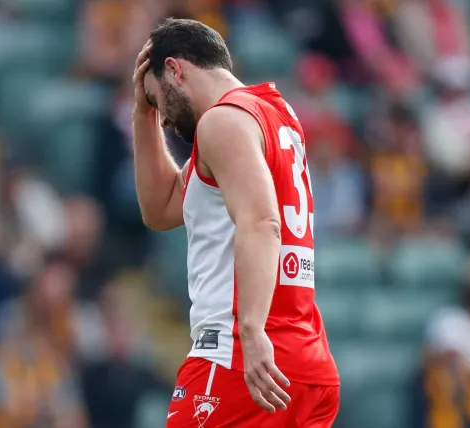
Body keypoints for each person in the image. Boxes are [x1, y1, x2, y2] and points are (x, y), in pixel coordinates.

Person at [131, 18, 340, 428]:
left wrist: (251, 329)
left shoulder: (221, 123)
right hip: (307, 364)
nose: (165, 119)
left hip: (237, 360)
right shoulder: (275, 115)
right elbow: (162, 208)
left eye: (158, 101)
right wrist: (142, 114)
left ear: (175, 69)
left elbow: (262, 221)